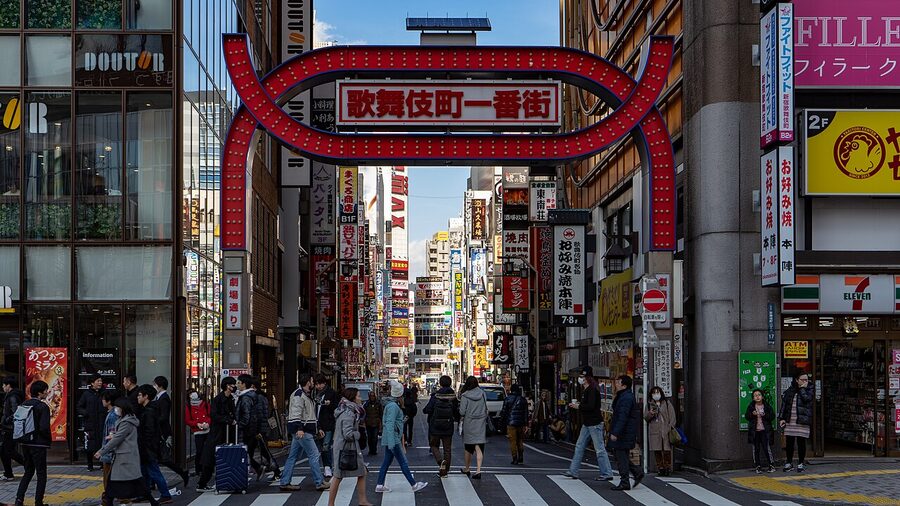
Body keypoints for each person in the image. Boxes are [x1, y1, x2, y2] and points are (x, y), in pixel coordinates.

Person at [96, 398, 159, 506]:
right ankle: (109, 501)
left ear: (123, 408)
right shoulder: (127, 419)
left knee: (131, 481)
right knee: (116, 482)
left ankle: (152, 502)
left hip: (125, 457)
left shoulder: (126, 422)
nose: (116, 409)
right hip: (124, 456)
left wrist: (102, 451)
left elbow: (118, 439)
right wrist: (114, 435)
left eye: (117, 407)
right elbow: (121, 436)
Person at [374, 380, 427, 494]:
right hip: (393, 438)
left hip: (390, 437)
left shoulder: (390, 405)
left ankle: (380, 484)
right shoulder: (394, 406)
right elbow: (390, 423)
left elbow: (389, 422)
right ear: (399, 395)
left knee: (386, 462)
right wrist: (392, 441)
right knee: (403, 462)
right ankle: (413, 484)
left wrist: (401, 422)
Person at [279, 374, 329, 492]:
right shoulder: (299, 395)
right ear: (307, 382)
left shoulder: (304, 394)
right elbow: (297, 413)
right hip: (303, 431)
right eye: (312, 381)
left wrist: (317, 428)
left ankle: (285, 482)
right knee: (314, 454)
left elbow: (308, 414)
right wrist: (299, 428)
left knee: (293, 457)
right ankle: (319, 482)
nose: (313, 383)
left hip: (302, 430)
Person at [564, 366, 615, 481]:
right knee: (580, 446)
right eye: (581, 376)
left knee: (599, 449)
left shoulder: (591, 390)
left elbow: (590, 406)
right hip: (588, 423)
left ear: (588, 377)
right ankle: (573, 471)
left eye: (583, 376)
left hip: (594, 423)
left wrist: (578, 406)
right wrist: (579, 405)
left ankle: (607, 473)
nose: (581, 378)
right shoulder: (589, 389)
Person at [327, 388, 373, 506]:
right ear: (353, 398)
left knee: (361, 472)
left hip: (345, 447)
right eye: (358, 396)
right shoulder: (349, 413)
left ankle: (362, 500)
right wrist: (358, 434)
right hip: (346, 448)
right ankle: (331, 503)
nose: (360, 398)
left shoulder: (347, 409)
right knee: (338, 475)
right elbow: (347, 434)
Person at [13, 380, 51, 506]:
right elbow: (44, 427)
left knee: (28, 471)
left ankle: (19, 500)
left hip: (25, 443)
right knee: (41, 474)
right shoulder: (43, 407)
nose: (47, 392)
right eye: (45, 390)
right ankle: (38, 502)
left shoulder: (24, 404)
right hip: (38, 444)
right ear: (40, 393)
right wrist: (47, 439)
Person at [196, 377, 237, 493]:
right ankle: (202, 483)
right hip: (217, 433)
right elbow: (214, 415)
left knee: (224, 457)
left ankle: (224, 481)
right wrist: (228, 420)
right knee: (210, 458)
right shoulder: (218, 399)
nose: (234, 387)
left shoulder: (231, 399)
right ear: (227, 386)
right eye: (232, 385)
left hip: (227, 432)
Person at [136, 384, 173, 504]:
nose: (138, 397)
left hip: (148, 448)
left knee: (153, 471)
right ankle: (145, 493)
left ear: (146, 396)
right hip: (147, 447)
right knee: (145, 471)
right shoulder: (149, 409)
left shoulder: (149, 412)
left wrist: (146, 447)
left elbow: (149, 432)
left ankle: (165, 494)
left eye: (140, 395)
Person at [609, 375, 644, 491]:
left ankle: (625, 481)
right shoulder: (623, 396)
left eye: (618, 382)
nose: (616, 384)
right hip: (625, 431)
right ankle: (637, 472)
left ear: (624, 385)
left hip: (624, 432)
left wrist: (615, 432)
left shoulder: (626, 398)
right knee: (621, 456)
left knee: (621, 457)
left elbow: (622, 416)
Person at [152, 376, 189, 487]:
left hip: (163, 432)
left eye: (154, 384)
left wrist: (153, 420)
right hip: (160, 431)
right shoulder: (159, 397)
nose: (153, 386)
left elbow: (164, 416)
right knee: (156, 458)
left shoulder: (164, 398)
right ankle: (152, 482)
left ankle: (182, 472)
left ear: (159, 386)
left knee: (163, 458)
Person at [422, 375, 459, 477]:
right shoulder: (453, 397)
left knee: (434, 445)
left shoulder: (435, 396)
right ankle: (445, 471)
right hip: (448, 425)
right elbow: (456, 412)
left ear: (440, 383)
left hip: (435, 425)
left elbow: (427, 409)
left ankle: (440, 461)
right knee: (447, 449)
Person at [779, 372, 813, 473]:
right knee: (789, 443)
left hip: (802, 420)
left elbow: (807, 399)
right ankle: (789, 462)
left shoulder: (810, 389)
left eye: (806, 380)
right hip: (790, 420)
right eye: (802, 380)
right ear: (797, 380)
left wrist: (802, 389)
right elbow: (784, 405)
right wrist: (782, 418)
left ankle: (800, 463)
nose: (805, 381)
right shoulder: (790, 390)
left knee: (801, 442)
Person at [235, 374, 266, 480]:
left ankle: (245, 475)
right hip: (252, 430)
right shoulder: (251, 396)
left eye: (239, 383)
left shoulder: (246, 398)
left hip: (246, 431)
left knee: (244, 453)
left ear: (244, 384)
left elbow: (246, 416)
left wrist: (239, 425)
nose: (237, 385)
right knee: (247, 453)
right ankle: (257, 468)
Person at [458, 376, 488, 479]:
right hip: (481, 422)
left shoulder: (465, 395)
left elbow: (462, 411)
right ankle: (478, 470)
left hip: (469, 423)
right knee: (478, 445)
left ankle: (467, 468)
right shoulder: (482, 393)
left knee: (468, 446)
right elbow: (485, 407)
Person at [251, 378, 281, 479]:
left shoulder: (258, 397)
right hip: (260, 428)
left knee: (263, 450)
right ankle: (272, 469)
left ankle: (275, 469)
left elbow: (259, 414)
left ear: (253, 386)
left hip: (260, 428)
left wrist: (258, 429)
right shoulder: (260, 396)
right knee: (262, 450)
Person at [645, 386, 677, 476]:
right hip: (655, 430)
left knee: (667, 450)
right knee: (657, 450)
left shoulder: (666, 403)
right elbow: (646, 418)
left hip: (666, 429)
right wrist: (651, 413)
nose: (656, 394)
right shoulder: (649, 404)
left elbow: (672, 416)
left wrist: (670, 426)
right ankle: (660, 468)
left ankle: (667, 467)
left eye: (657, 392)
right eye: (654, 393)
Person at [77, 374, 106, 472]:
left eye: (101, 381)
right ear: (92, 383)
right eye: (98, 381)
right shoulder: (86, 394)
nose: (100, 383)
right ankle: (90, 465)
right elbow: (79, 407)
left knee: (102, 444)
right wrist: (86, 413)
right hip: (90, 423)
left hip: (102, 423)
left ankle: (102, 464)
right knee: (89, 444)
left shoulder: (104, 393)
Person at [746, 389, 776, 474]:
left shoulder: (766, 406)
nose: (757, 397)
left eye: (759, 395)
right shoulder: (751, 406)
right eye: (755, 395)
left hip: (764, 431)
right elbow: (747, 416)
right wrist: (752, 414)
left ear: (762, 397)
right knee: (756, 449)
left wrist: (765, 415)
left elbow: (772, 416)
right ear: (753, 398)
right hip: (755, 432)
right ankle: (758, 466)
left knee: (767, 448)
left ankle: (771, 465)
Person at [99, 390, 121, 504]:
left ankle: (109, 498)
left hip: (109, 452)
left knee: (108, 477)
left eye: (104, 399)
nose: (102, 401)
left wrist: (105, 450)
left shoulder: (112, 415)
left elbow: (112, 435)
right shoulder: (114, 413)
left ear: (109, 401)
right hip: (110, 451)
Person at [314, 374, 338, 480]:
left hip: (328, 423)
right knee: (321, 446)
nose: (318, 386)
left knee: (326, 445)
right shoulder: (314, 394)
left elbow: (336, 406)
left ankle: (327, 467)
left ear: (324, 383)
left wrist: (330, 404)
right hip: (317, 423)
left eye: (320, 384)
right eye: (316, 384)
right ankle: (326, 466)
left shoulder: (331, 393)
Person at [1, 376, 25, 481]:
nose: (2, 387)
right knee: (3, 451)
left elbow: (16, 412)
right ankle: (8, 474)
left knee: (8, 450)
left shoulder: (13, 396)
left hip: (11, 428)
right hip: (8, 427)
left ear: (8, 385)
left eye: (4, 385)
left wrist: (6, 420)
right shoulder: (11, 395)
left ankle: (28, 465)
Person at [185, 389, 211, 477]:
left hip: (207, 430)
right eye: (190, 394)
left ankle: (207, 468)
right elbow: (187, 420)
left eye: (193, 392)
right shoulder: (188, 406)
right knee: (199, 451)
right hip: (198, 431)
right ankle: (198, 469)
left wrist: (207, 423)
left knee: (208, 450)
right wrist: (197, 424)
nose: (193, 395)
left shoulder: (205, 404)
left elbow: (210, 415)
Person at [500, 384, 528, 465]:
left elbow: (504, 411)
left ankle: (514, 458)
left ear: (511, 390)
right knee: (520, 440)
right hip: (521, 423)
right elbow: (525, 413)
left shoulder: (507, 399)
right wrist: (526, 424)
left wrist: (501, 421)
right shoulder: (523, 399)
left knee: (513, 441)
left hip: (511, 422)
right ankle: (521, 457)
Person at [363, 389, 383, 456]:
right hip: (368, 423)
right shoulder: (366, 404)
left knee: (375, 438)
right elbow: (364, 413)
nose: (372, 397)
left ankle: (374, 450)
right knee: (369, 438)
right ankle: (370, 450)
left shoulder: (378, 404)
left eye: (373, 396)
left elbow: (381, 414)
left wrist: (381, 423)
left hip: (376, 423)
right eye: (371, 396)